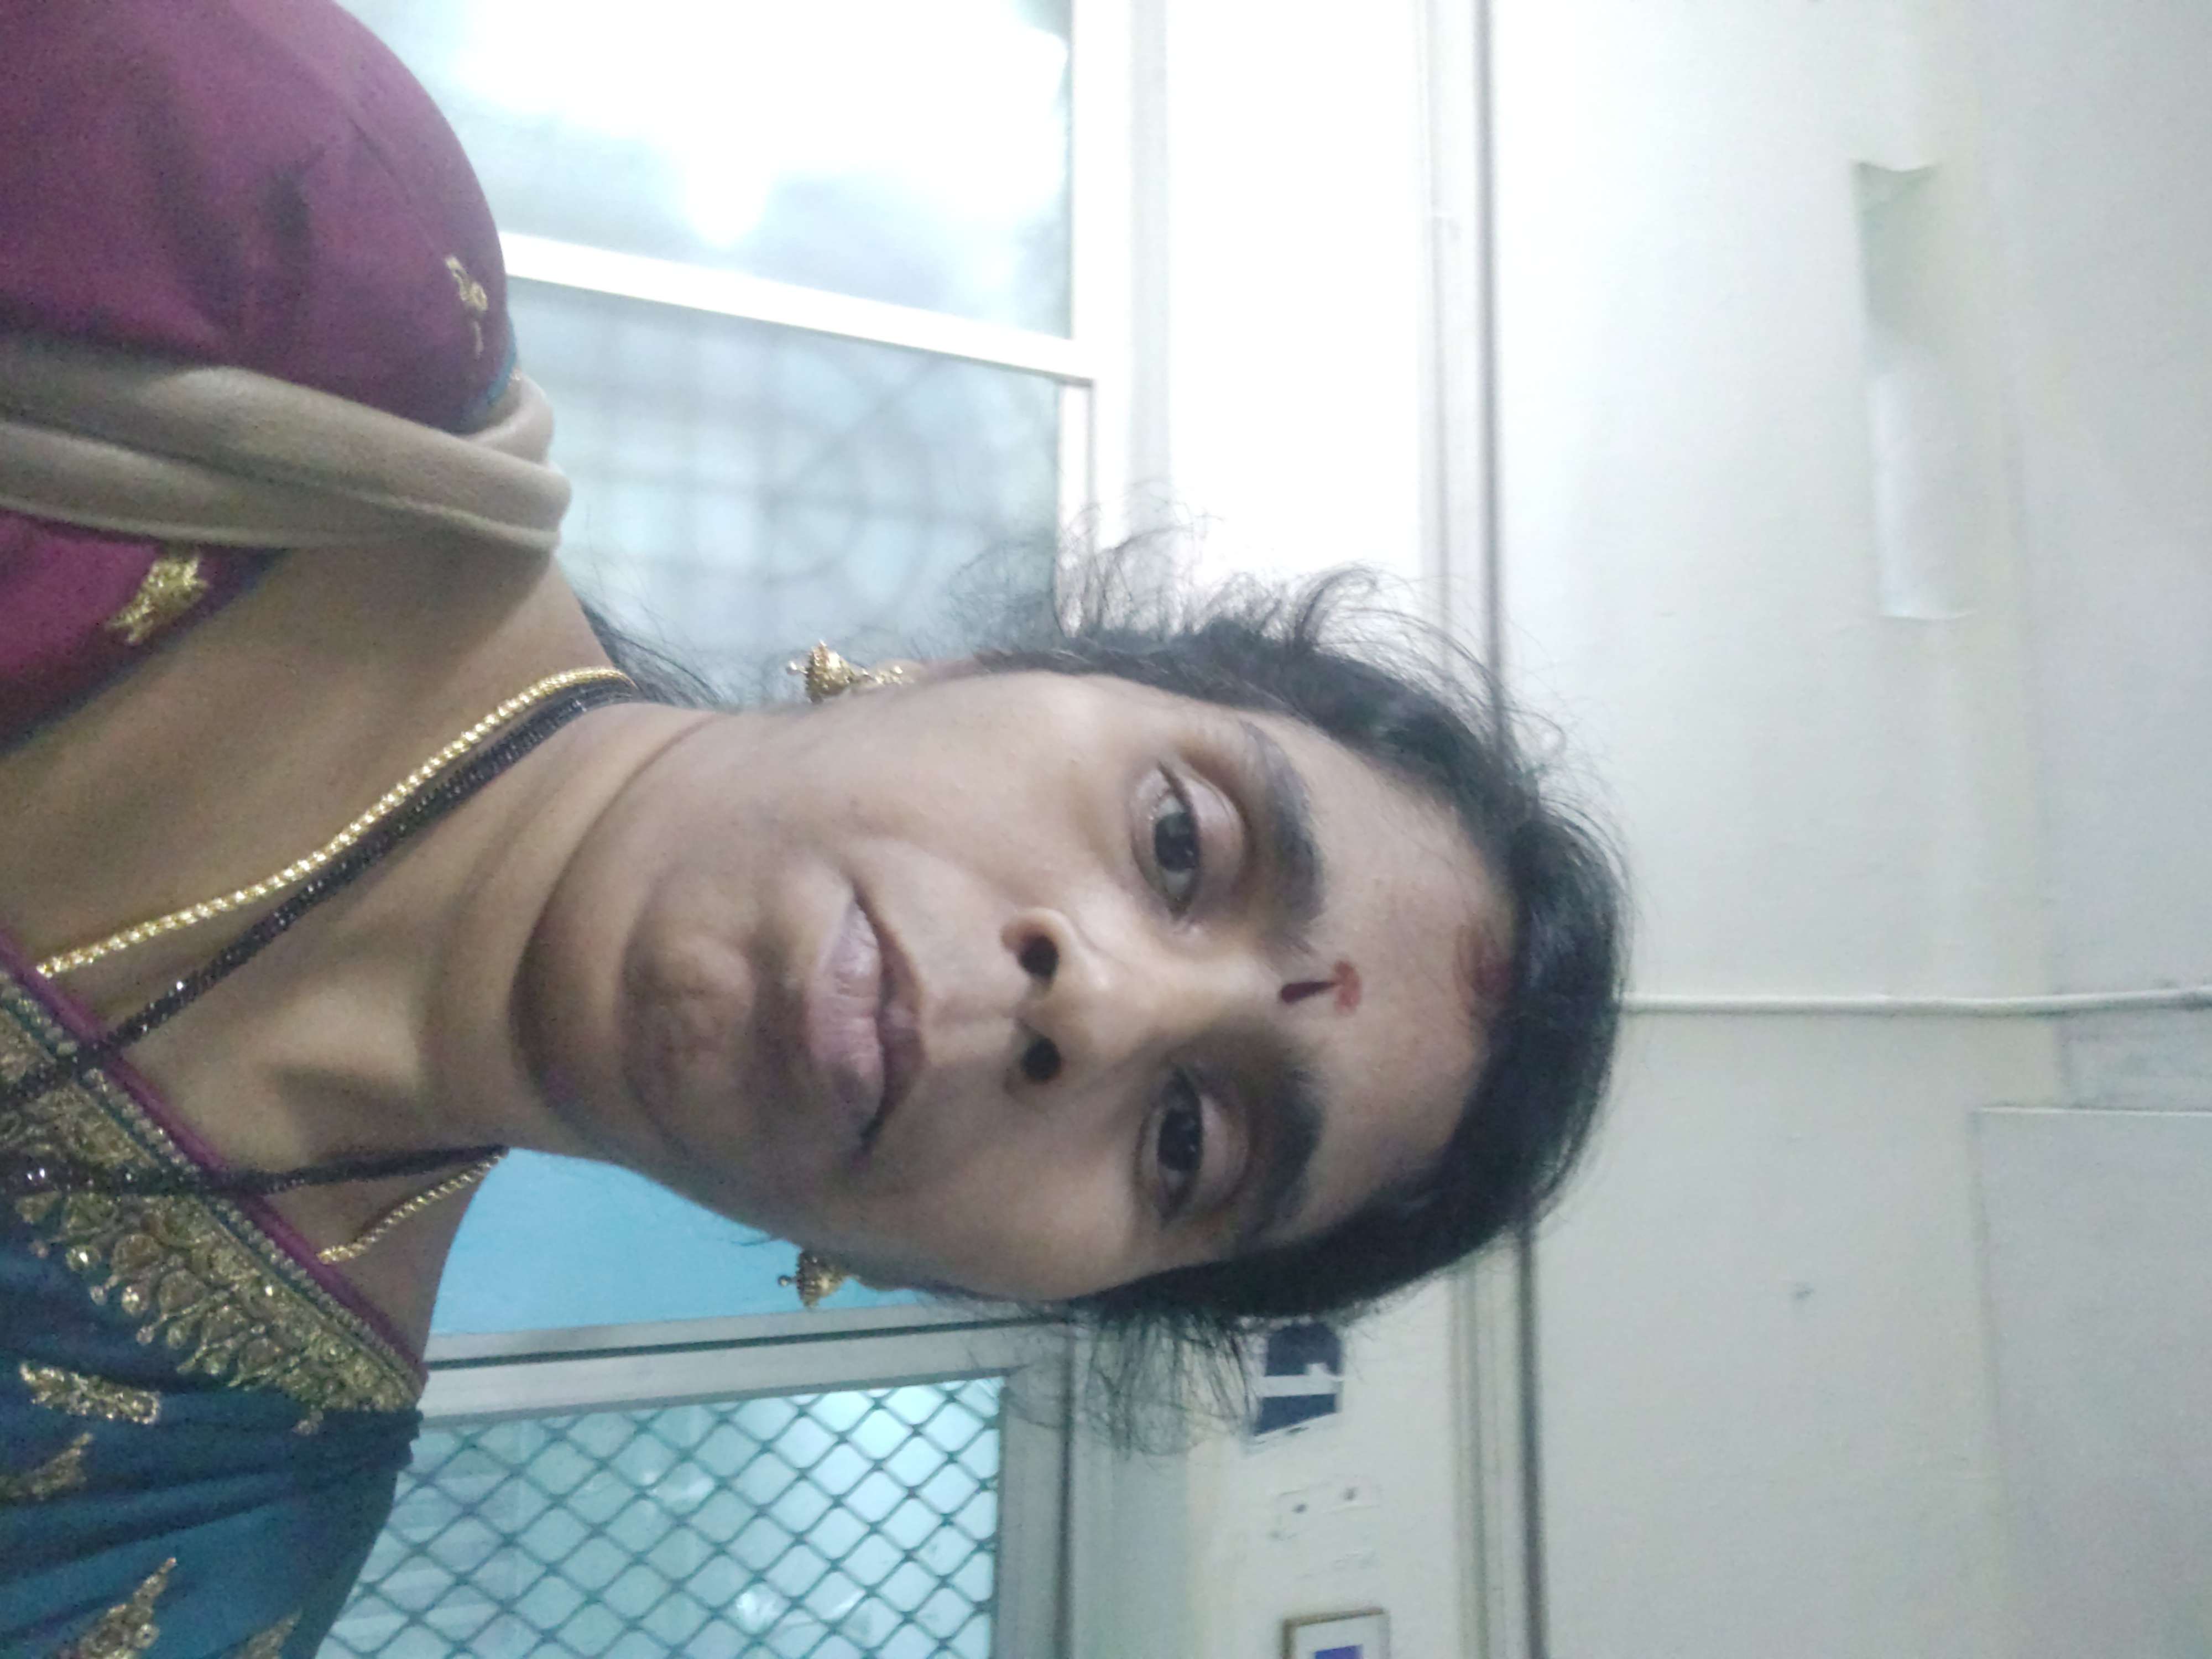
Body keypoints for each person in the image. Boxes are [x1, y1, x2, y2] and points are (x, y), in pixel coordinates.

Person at [0, 1, 1625, 1650]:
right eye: (1180, 847)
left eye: (1189, 1145)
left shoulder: (183, 1534)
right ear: (979, 671)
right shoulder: (279, 234)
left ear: (980, 1283)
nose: (1098, 1006)